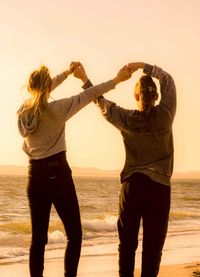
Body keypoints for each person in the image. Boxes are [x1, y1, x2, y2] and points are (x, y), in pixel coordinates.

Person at [17, 61, 132, 277]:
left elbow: (43, 89)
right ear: (48, 88)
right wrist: (117, 80)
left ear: (31, 87)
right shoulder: (58, 109)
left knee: (38, 239)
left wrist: (67, 73)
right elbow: (91, 93)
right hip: (58, 174)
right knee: (75, 235)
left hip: (34, 177)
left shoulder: (24, 112)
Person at [75, 62, 176, 277]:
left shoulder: (127, 118)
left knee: (127, 247)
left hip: (133, 187)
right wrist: (143, 66)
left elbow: (100, 102)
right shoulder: (166, 115)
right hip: (159, 189)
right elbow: (168, 81)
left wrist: (84, 79)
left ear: (136, 97)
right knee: (153, 250)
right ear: (156, 96)